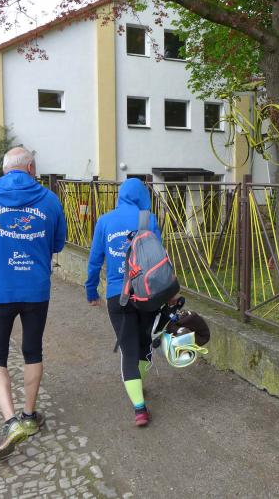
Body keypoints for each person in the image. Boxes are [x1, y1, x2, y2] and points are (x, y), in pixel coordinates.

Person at [0, 146, 67, 459]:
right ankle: (29, 416)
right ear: (31, 168)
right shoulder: (49, 199)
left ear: (5, 168)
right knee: (32, 351)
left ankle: (11, 422)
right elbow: (58, 243)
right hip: (35, 288)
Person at [85, 178, 161, 427]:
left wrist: (91, 290)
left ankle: (139, 409)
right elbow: (160, 257)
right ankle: (138, 383)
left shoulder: (105, 221)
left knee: (129, 351)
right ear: (142, 196)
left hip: (118, 296)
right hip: (147, 294)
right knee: (144, 345)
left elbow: (95, 260)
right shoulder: (149, 219)